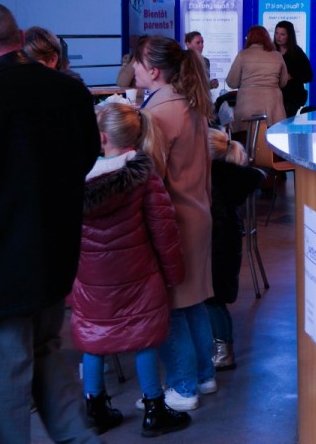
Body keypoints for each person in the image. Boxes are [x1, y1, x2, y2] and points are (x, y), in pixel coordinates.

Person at [0, 3, 102, 444]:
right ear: (21, 38)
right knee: (47, 353)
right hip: (55, 254)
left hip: (4, 267)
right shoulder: (69, 91)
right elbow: (87, 157)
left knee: (7, 377)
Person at [73, 103, 191, 437]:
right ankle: (154, 409)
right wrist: (173, 274)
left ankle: (95, 409)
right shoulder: (145, 178)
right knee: (144, 340)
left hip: (92, 280)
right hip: (138, 276)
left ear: (101, 138)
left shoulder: (76, 179)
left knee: (94, 340)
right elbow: (163, 230)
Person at [132, 35, 218, 410]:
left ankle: (183, 387)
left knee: (170, 305)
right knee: (193, 300)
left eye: (136, 63)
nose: (132, 69)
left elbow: (152, 176)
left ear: (152, 70)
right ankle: (204, 374)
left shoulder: (159, 112)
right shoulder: (189, 102)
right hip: (197, 213)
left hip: (174, 221)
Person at [206, 128, 262, 373]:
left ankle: (223, 353)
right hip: (227, 248)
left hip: (215, 250)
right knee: (216, 301)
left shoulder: (212, 185)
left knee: (212, 301)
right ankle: (221, 349)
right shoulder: (230, 183)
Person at [227, 25, 290, 134]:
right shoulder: (277, 56)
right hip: (273, 107)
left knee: (247, 141)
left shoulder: (243, 55)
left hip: (247, 107)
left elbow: (232, 82)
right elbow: (283, 82)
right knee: (271, 141)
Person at [274, 20, 314, 119]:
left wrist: (291, 76)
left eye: (282, 34)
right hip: (274, 96)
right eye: (276, 33)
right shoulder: (271, 51)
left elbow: (308, 75)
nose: (278, 37)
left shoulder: (297, 53)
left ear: (289, 36)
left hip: (291, 97)